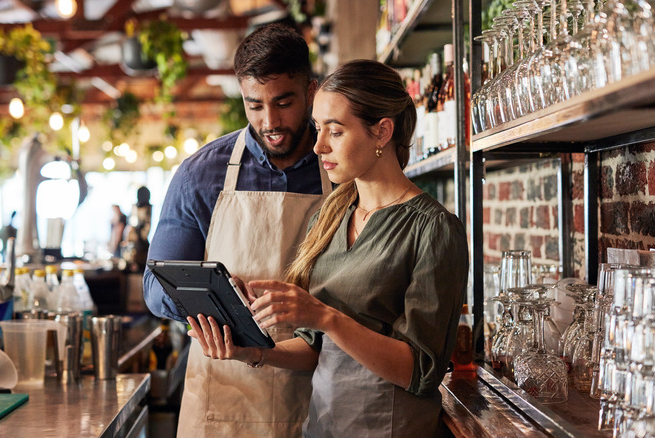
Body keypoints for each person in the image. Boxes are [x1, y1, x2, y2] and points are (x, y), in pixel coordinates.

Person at [188, 59, 469, 437]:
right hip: (322, 426)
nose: (319, 145)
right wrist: (251, 351)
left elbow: (420, 372)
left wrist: (325, 316)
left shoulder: (433, 228)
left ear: (382, 132)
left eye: (335, 131)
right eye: (318, 128)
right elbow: (316, 348)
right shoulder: (332, 214)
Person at [142, 24, 331, 437]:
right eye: (255, 105)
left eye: (283, 103)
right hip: (225, 399)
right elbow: (155, 288)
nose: (271, 121)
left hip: (324, 395)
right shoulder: (201, 174)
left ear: (311, 91)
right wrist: (216, 298)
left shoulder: (339, 164)